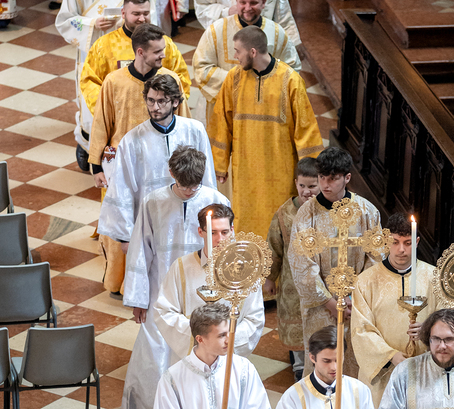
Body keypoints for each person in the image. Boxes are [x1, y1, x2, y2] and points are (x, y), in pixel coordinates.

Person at [123, 146, 224, 409]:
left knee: (199, 363)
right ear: (171, 174)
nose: (189, 191)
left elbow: (227, 249)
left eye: (195, 185)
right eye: (183, 185)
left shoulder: (216, 201)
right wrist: (139, 297)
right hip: (162, 293)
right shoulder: (153, 202)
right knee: (157, 362)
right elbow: (140, 250)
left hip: (202, 295)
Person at [88, 24, 191, 293]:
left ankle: (162, 282)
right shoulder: (114, 81)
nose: (163, 56)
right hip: (124, 169)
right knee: (124, 222)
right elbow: (102, 123)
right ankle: (121, 282)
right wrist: (97, 165)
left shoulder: (171, 79)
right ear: (141, 52)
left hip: (163, 170)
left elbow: (185, 124)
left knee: (163, 226)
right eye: (157, 51)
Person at [351, 212, 439, 409]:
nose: (401, 250)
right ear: (385, 241)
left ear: (417, 241)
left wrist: (428, 330)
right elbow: (361, 330)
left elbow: (447, 321)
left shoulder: (433, 278)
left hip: (421, 373)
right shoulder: (367, 281)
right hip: (382, 375)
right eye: (395, 242)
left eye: (407, 242)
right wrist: (392, 356)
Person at [207, 25, 322, 239]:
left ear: (252, 52)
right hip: (245, 170)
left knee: (280, 224)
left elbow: (306, 129)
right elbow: (221, 121)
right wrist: (219, 164)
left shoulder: (290, 80)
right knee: (246, 222)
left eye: (237, 51)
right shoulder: (234, 78)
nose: (235, 56)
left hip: (280, 171)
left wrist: (311, 174)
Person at [97, 73, 216, 253]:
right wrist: (126, 236)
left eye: (161, 101)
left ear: (175, 102)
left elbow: (207, 179)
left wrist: (211, 225)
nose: (155, 107)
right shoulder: (132, 141)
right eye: (151, 100)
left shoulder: (195, 130)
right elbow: (122, 187)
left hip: (190, 222)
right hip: (152, 224)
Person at [289, 147, 380, 377]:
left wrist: (354, 298)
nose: (325, 184)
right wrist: (329, 302)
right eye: (322, 177)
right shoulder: (306, 215)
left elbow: (375, 258)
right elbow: (302, 264)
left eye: (332, 179)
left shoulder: (366, 211)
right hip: (321, 306)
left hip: (356, 305)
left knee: (354, 364)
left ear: (347, 178)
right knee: (323, 361)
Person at [56, 0, 147, 152]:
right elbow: (64, 21)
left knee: (126, 101)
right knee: (93, 105)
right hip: (94, 54)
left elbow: (148, 20)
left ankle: (126, 148)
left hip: (127, 55)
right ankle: (89, 147)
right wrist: (91, 24)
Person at [79, 0, 190, 160]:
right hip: (122, 123)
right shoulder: (104, 46)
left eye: (146, 13)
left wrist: (167, 108)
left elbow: (181, 78)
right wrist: (110, 109)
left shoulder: (164, 44)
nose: (142, 19)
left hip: (158, 124)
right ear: (123, 13)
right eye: (136, 14)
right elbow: (89, 81)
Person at [154, 203, 265, 367]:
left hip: (228, 358)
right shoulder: (181, 267)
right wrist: (202, 339)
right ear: (201, 232)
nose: (220, 239)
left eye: (224, 232)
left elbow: (254, 318)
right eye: (213, 233)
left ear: (232, 230)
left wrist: (225, 340)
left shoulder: (246, 271)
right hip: (190, 358)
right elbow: (164, 311)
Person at [192, 0, 300, 128]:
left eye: (253, 3)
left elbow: (292, 69)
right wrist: (242, 84)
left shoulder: (277, 33)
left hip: (263, 111)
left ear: (264, 2)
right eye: (242, 2)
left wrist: (266, 88)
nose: (247, 8)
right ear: (236, 2)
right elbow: (201, 68)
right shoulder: (216, 30)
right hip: (226, 109)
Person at [265, 157, 319, 382]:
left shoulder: (325, 210)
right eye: (302, 185)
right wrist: (270, 277)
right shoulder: (284, 213)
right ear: (296, 182)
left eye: (312, 186)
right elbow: (273, 247)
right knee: (296, 323)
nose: (307, 192)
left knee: (317, 323)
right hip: (291, 283)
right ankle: (299, 365)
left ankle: (319, 364)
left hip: (319, 281)